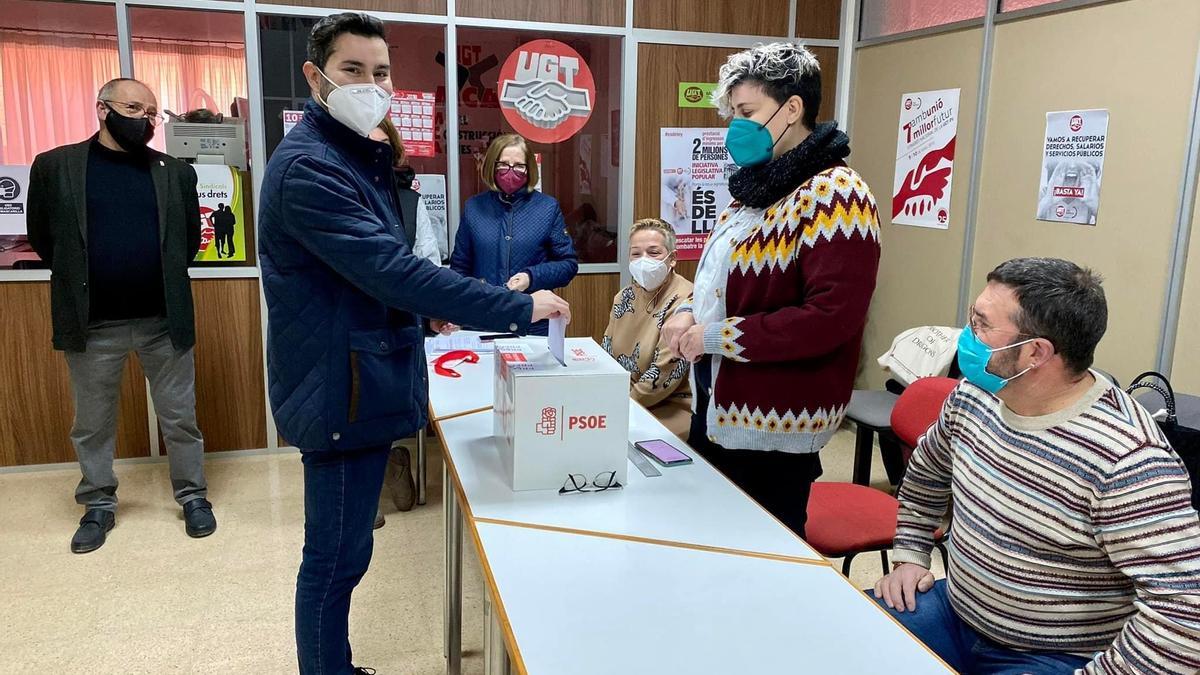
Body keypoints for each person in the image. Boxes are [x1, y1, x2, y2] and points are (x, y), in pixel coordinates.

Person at [257, 14, 570, 675]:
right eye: (351, 70)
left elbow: (373, 274)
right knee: (335, 557)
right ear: (315, 77)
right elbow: (394, 269)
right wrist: (517, 306)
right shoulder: (312, 168)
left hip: (356, 372)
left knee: (346, 553)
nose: (369, 85)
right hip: (337, 387)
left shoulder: (352, 158)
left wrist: (418, 313)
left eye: (380, 73)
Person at [873, 257, 1200, 674]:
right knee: (844, 639)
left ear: (1035, 352)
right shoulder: (974, 395)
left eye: (982, 324)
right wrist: (911, 553)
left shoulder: (1128, 461)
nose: (967, 336)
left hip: (1053, 656)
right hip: (955, 613)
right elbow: (927, 472)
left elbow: (1184, 613)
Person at [662, 42, 881, 539]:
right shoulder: (756, 192)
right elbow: (722, 279)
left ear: (793, 109)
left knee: (762, 556)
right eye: (732, 113)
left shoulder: (836, 195)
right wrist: (687, 312)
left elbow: (831, 317)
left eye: (747, 112)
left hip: (774, 421)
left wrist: (715, 337)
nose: (735, 127)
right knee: (712, 542)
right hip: (716, 402)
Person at [26, 78, 216, 554]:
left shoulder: (174, 172)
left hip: (162, 320)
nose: (144, 120)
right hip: (94, 324)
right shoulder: (56, 167)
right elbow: (46, 241)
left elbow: (187, 245)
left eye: (152, 113)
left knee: (180, 417)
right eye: (134, 108)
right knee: (91, 422)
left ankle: (193, 496)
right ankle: (97, 504)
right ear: (101, 109)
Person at [450, 133, 578, 336]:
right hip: (480, 322)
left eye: (519, 166)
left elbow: (568, 264)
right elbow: (459, 268)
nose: (511, 172)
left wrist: (531, 276)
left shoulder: (547, 208)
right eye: (503, 165)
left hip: (532, 323)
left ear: (529, 169)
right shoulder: (474, 207)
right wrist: (455, 310)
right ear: (492, 165)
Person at [602, 218, 693, 438]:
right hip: (622, 397)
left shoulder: (686, 302)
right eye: (636, 253)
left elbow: (661, 378)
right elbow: (606, 354)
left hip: (668, 404)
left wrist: (614, 411)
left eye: (654, 253)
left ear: (672, 258)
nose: (644, 260)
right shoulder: (624, 297)